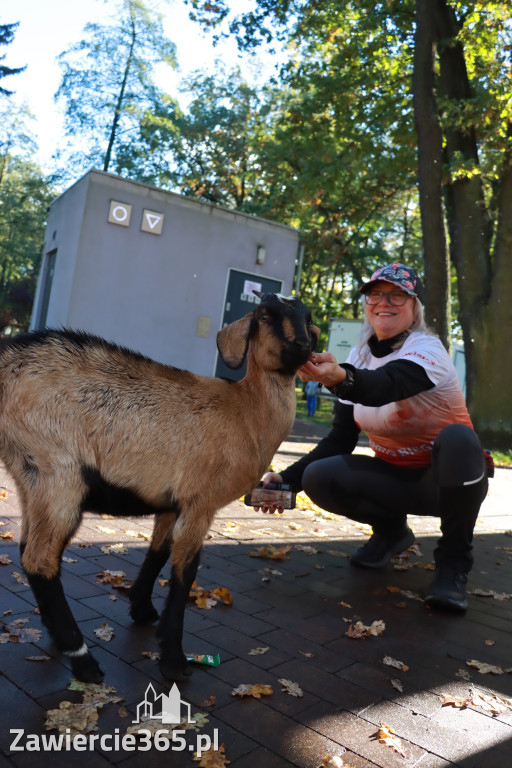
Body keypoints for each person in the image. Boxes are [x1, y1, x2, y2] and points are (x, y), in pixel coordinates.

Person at [262, 262, 493, 612]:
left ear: (415, 306)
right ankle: (391, 533)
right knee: (318, 476)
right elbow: (339, 439)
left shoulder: (428, 349)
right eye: (374, 294)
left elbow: (388, 384)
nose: (383, 302)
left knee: (460, 438)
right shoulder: (360, 355)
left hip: (446, 483)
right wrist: (286, 480)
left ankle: (453, 564)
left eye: (397, 294)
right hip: (393, 481)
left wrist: (342, 378)